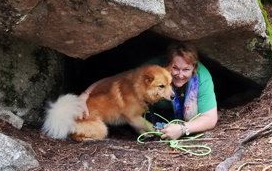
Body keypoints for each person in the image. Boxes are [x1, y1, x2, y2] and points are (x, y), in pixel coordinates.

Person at [78, 41, 217, 140]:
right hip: (150, 113)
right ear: (167, 65)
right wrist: (85, 95)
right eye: (175, 68)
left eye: (186, 69)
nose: (180, 75)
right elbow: (114, 81)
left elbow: (210, 119)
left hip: (183, 116)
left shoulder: (202, 77)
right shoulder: (150, 71)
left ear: (194, 68)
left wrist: (182, 129)